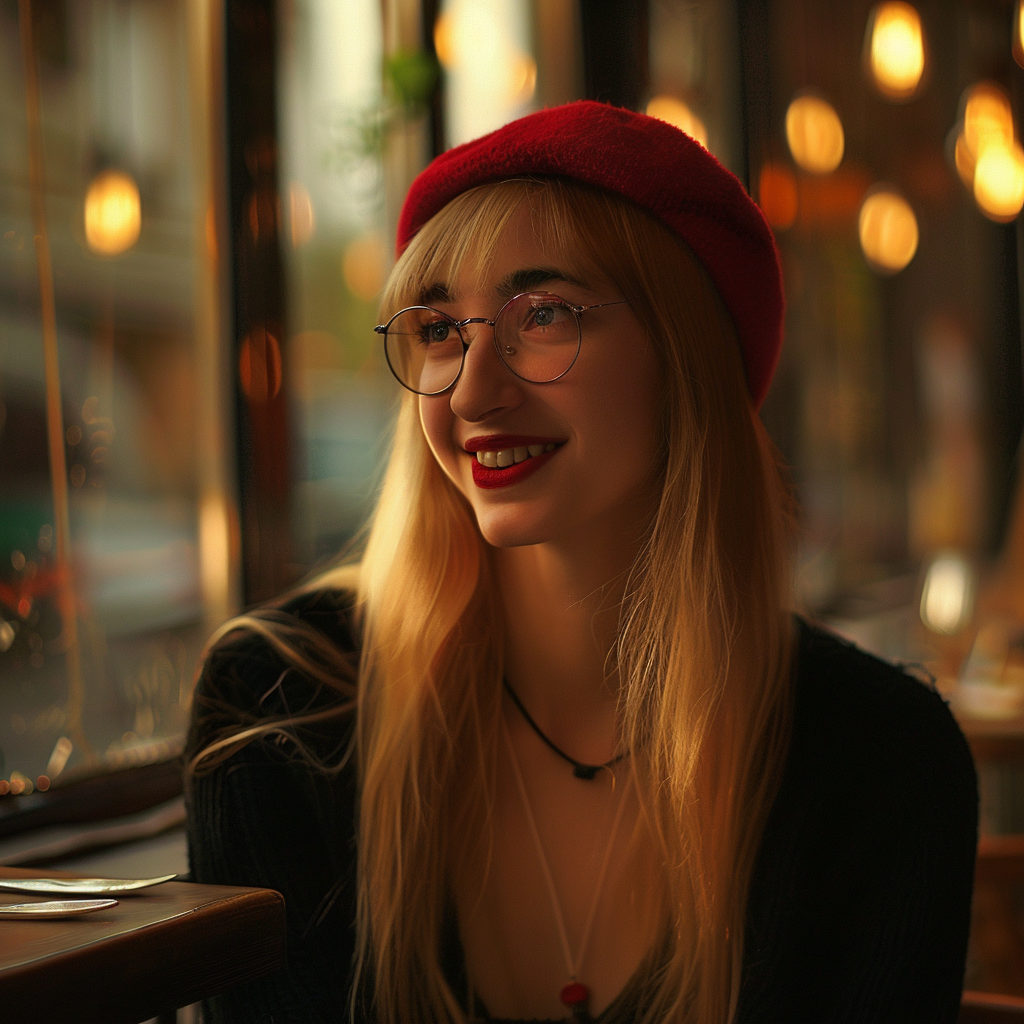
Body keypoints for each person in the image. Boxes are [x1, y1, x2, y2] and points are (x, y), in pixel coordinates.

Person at [185, 101, 978, 1024]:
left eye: (546, 315)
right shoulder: (280, 709)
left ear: (688, 356)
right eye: (440, 330)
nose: (474, 391)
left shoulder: (880, 762)